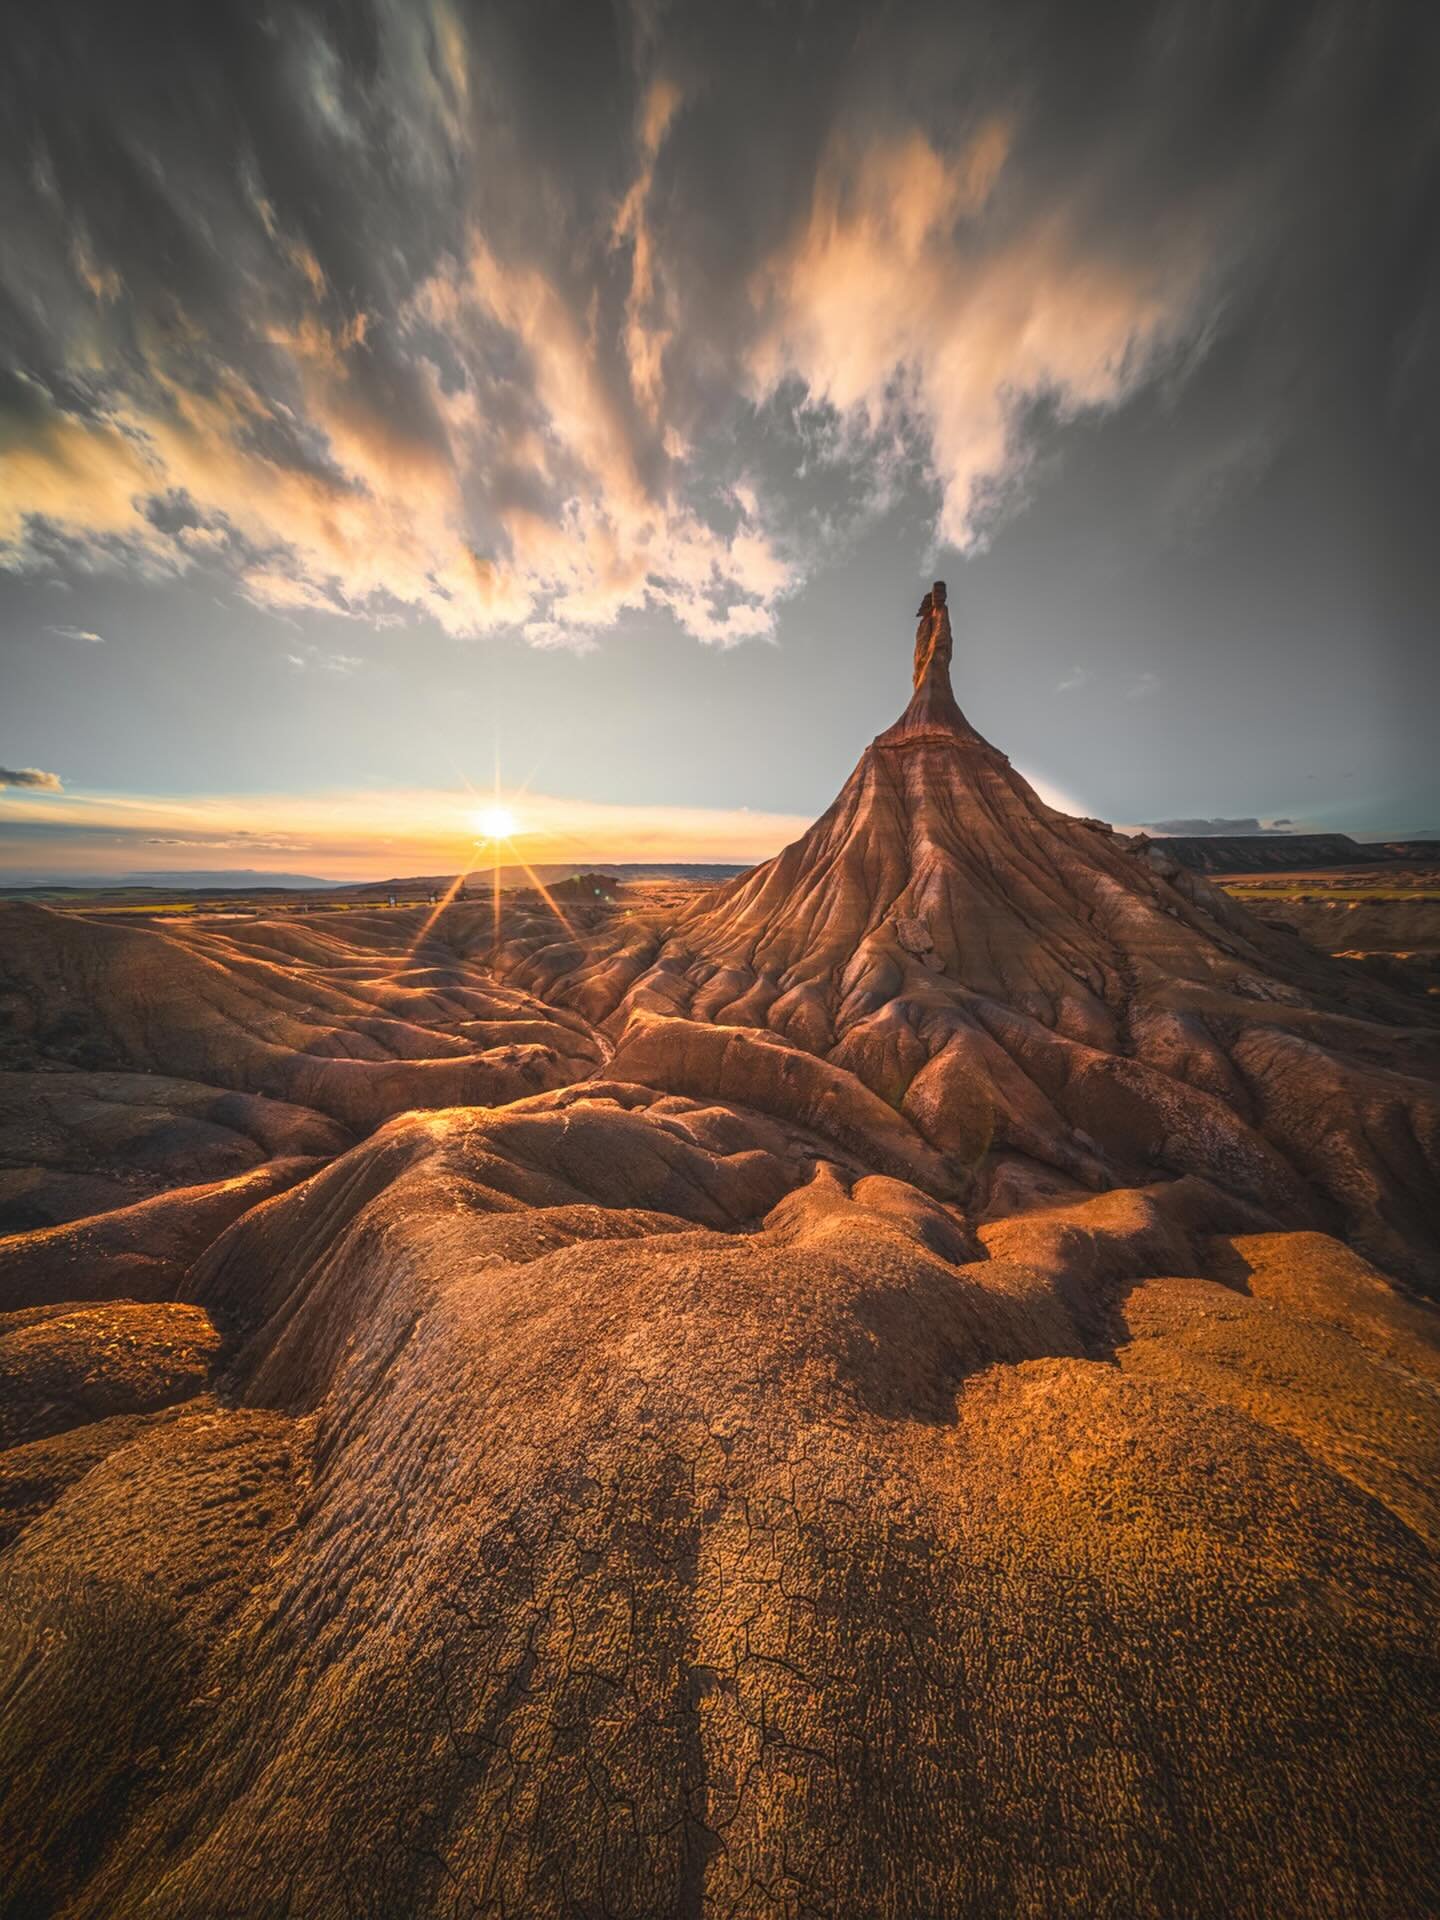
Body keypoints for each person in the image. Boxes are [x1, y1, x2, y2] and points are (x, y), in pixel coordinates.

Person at [912, 580, 952, 689]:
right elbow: (921, 643)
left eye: (941, 593)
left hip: (934, 655)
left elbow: (942, 631)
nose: (939, 597)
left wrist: (936, 649)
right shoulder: (925, 621)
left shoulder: (941, 611)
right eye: (936, 593)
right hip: (922, 660)